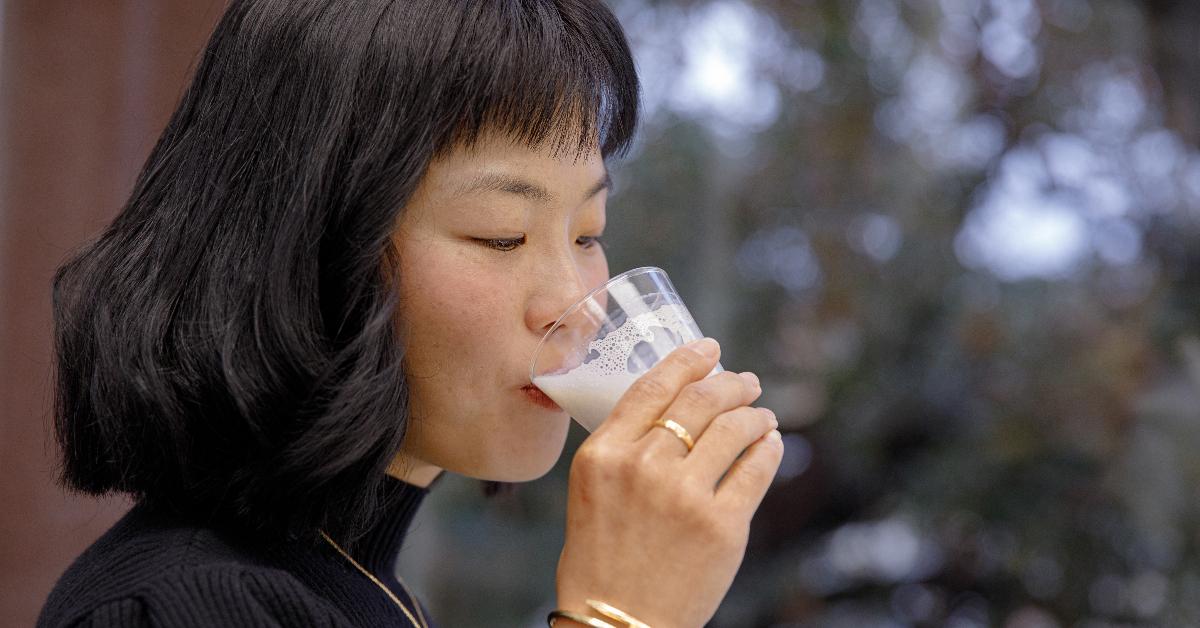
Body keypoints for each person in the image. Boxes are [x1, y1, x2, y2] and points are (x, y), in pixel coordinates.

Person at [37, 0, 783, 626]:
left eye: (588, 233)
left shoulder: (356, 585)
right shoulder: (179, 608)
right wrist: (618, 615)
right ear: (313, 247)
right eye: (502, 234)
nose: (573, 302)